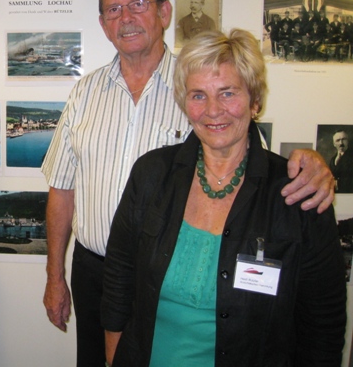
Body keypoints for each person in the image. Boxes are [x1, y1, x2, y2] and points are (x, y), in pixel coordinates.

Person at [41, 0, 335, 367]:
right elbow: (61, 187)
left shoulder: (195, 77)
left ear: (164, 12)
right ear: (102, 24)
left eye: (138, 4)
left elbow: (255, 165)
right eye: (113, 9)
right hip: (97, 269)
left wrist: (312, 166)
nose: (126, 17)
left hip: (179, 271)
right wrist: (54, 275)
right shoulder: (84, 92)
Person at [102, 29, 346, 366]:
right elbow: (119, 276)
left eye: (227, 93)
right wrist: (114, 356)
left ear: (255, 101)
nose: (213, 110)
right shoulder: (152, 174)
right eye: (198, 95)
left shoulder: (297, 192)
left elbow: (323, 323)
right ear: (184, 103)